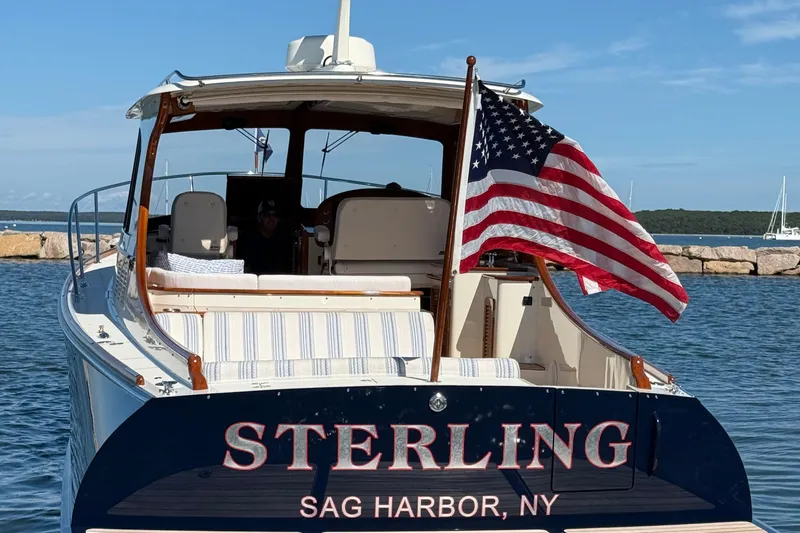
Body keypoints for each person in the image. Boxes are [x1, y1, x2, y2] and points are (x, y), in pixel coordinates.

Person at [238, 198, 295, 274]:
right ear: (259, 218)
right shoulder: (248, 242)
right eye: (267, 215)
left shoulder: (284, 242)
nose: (271, 219)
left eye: (275, 215)